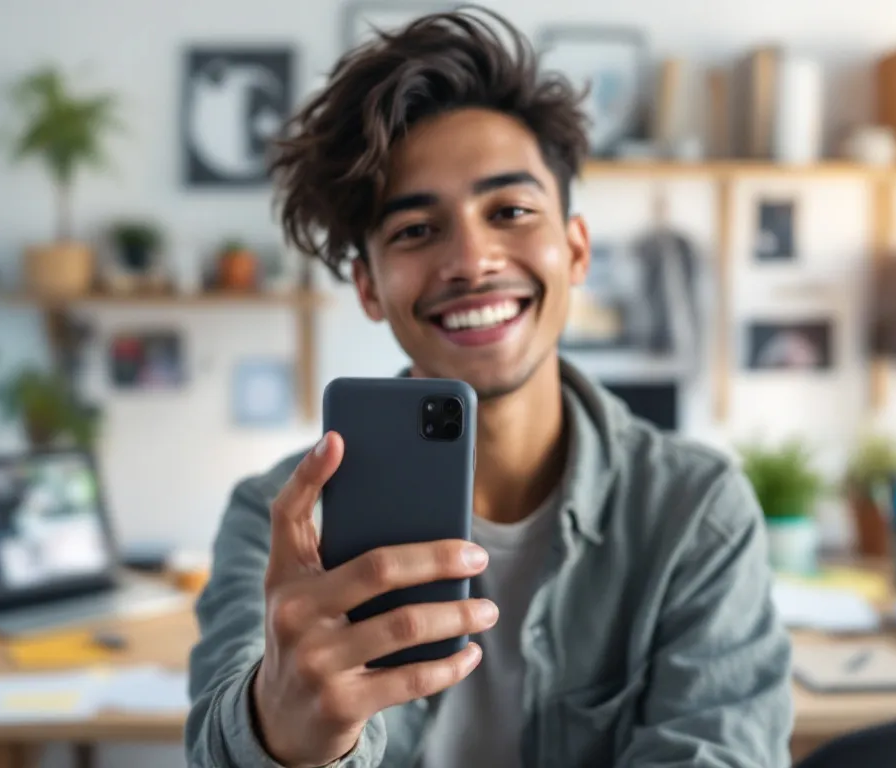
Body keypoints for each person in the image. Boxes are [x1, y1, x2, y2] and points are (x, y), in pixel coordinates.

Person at [185, 7, 794, 767]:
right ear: (368, 287)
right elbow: (220, 738)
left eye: (510, 211)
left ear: (575, 249)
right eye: (415, 230)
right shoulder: (281, 523)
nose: (472, 261)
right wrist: (282, 733)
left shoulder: (695, 513)